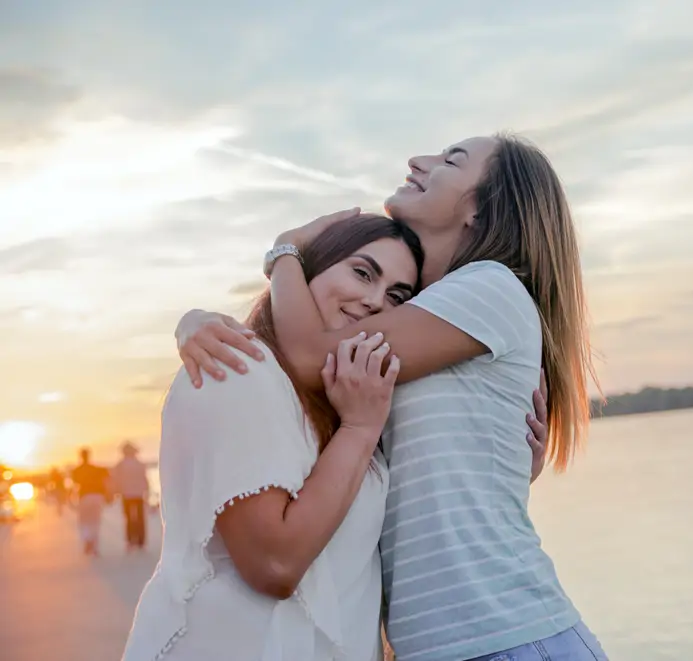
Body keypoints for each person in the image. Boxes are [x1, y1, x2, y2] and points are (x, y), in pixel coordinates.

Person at [176, 134, 608, 661]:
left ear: (480, 208)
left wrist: (286, 250)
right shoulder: (425, 318)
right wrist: (197, 323)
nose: (417, 161)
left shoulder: (488, 287)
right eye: (364, 275)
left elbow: (312, 355)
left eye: (451, 159)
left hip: (509, 635)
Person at [123, 215, 548, 661]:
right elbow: (274, 565)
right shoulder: (237, 370)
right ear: (310, 271)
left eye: (396, 298)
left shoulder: (347, 409)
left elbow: (394, 535)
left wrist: (505, 470)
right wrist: (359, 429)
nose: (373, 301)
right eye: (363, 273)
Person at [71, 448, 110, 556]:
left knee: (84, 521)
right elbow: (106, 478)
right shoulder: (97, 469)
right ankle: (94, 546)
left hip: (84, 497)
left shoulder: (77, 470)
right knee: (95, 521)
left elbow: (74, 484)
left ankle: (87, 540)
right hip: (97, 496)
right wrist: (107, 495)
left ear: (81, 456)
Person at [112, 441, 150, 551]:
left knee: (128, 518)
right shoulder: (140, 464)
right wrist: (147, 492)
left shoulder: (121, 464)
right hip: (139, 494)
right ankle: (141, 541)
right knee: (140, 518)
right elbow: (145, 479)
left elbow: (116, 480)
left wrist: (115, 493)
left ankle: (130, 540)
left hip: (126, 494)